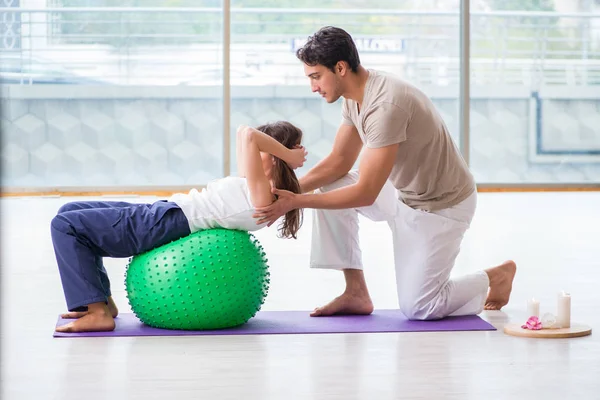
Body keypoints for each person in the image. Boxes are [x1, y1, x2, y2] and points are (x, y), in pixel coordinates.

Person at [254, 26, 517, 320]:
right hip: (400, 190)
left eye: (316, 76)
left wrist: (294, 202)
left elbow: (365, 193)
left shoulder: (386, 105)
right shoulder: (354, 97)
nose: (313, 87)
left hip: (441, 206)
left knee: (420, 307)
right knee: (330, 185)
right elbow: (339, 161)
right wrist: (288, 192)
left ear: (340, 68)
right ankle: (355, 292)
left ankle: (496, 276)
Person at [52, 121, 307, 332]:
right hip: (165, 211)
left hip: (167, 222)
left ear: (274, 157)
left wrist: (288, 155)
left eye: (263, 150)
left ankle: (97, 313)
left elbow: (249, 134)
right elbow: (246, 134)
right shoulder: (253, 183)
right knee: (70, 211)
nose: (252, 154)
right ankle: (102, 303)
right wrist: (283, 153)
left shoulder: (264, 194)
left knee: (64, 225)